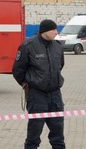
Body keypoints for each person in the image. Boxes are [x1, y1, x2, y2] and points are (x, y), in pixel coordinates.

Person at [12, 19, 66, 149]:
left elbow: (60, 65)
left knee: (58, 134)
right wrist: (28, 84)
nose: (56, 32)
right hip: (37, 96)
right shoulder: (28, 45)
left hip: (55, 95)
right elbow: (18, 70)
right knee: (34, 135)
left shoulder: (58, 46)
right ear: (45, 31)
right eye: (53, 29)